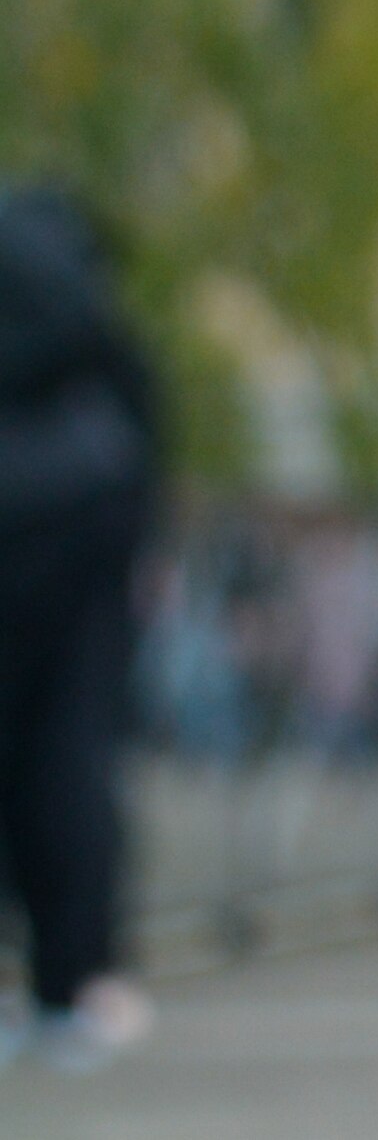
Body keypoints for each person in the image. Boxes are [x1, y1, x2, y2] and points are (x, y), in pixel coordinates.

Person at [0, 187, 159, 1076]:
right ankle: (72, 985)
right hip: (82, 511)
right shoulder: (67, 279)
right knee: (72, 751)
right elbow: (139, 395)